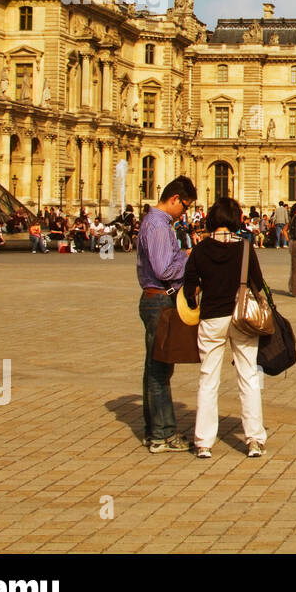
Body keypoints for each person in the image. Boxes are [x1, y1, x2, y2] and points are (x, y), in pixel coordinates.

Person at [182, 196, 268, 458]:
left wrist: (197, 294)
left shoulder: (200, 249)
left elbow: (188, 289)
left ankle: (204, 442)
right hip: (241, 317)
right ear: (235, 221)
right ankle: (253, 439)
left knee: (208, 379)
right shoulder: (244, 247)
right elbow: (258, 282)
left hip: (211, 318)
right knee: (248, 377)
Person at [136, 176, 196, 454]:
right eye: (184, 206)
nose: (185, 212)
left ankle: (155, 431)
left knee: (155, 367)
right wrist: (187, 258)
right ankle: (163, 434)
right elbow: (163, 270)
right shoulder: (159, 225)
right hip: (159, 300)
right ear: (174, 199)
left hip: (156, 300)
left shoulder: (157, 223)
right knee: (160, 370)